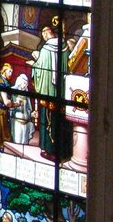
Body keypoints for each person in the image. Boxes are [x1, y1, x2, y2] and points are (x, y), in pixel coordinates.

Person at [32, 18, 71, 162]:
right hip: (61, 93)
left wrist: (33, 65)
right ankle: (62, 151)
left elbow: (39, 69)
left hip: (48, 93)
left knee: (47, 120)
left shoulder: (45, 49)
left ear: (48, 33)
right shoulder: (65, 46)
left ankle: (48, 150)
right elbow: (69, 66)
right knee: (60, 121)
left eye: (44, 33)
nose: (43, 36)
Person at [8, 73, 34, 145]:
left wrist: (31, 114)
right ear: (19, 83)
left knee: (24, 142)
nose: (25, 85)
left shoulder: (26, 95)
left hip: (25, 122)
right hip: (17, 122)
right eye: (24, 83)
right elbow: (10, 107)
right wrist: (16, 104)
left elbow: (28, 108)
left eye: (26, 84)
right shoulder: (13, 93)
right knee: (17, 142)